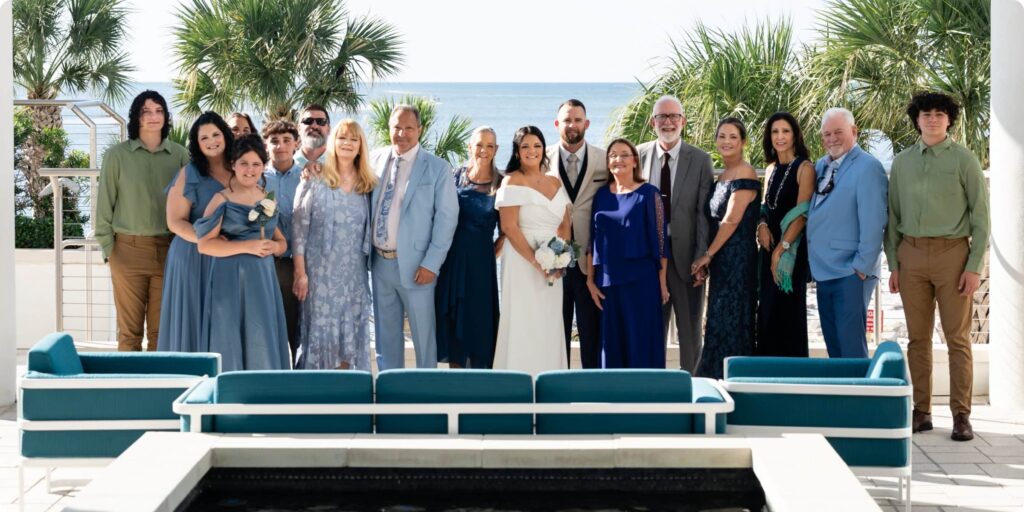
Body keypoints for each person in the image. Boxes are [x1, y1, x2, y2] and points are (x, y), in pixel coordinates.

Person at [885, 92, 989, 441]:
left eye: (939, 114)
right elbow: (893, 216)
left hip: (953, 255)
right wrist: (895, 263)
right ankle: (922, 411)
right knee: (917, 339)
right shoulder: (901, 162)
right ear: (917, 119)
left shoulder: (964, 160)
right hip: (911, 255)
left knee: (958, 339)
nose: (932, 119)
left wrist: (973, 266)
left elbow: (980, 217)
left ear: (949, 120)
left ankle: (962, 415)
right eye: (926, 114)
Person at [95, 90, 189, 351]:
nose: (153, 117)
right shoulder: (117, 155)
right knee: (129, 332)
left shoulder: (180, 156)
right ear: (136, 117)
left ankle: (158, 389)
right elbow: (105, 203)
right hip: (126, 251)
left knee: (162, 332)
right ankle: (127, 389)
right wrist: (108, 250)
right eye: (146, 111)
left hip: (169, 250)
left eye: (159, 111)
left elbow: (190, 204)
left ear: (166, 117)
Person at [370, 104, 459, 370]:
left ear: (419, 130)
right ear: (389, 128)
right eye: (397, 127)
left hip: (417, 266)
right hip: (379, 263)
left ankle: (426, 396)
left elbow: (447, 219)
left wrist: (432, 263)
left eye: (409, 128)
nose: (402, 133)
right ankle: (390, 395)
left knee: (423, 337)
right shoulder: (374, 160)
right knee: (386, 338)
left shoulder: (437, 168)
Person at [196, 134, 291, 371]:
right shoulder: (221, 199)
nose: (250, 170)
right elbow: (205, 244)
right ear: (233, 165)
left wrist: (275, 247)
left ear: (263, 166)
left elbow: (281, 242)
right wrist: (246, 246)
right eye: (244, 163)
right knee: (229, 335)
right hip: (229, 281)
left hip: (262, 281)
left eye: (256, 164)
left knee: (262, 337)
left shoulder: (266, 199)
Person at [637, 95, 714, 373]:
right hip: (648, 261)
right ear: (652, 122)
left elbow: (703, 215)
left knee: (691, 333)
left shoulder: (701, 160)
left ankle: (693, 389)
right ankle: (655, 392)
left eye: (673, 116)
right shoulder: (638, 155)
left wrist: (702, 258)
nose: (668, 122)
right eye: (662, 117)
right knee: (651, 331)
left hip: (686, 260)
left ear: (683, 121)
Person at [292, 119, 377, 370]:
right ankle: (317, 398)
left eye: (353, 139)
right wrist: (300, 273)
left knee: (349, 340)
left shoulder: (368, 184)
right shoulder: (315, 177)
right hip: (319, 275)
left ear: (361, 145)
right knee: (320, 333)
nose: (347, 143)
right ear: (333, 142)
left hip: (354, 276)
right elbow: (298, 229)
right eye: (342, 138)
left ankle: (349, 400)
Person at [806, 108, 888, 359]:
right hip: (823, 270)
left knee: (851, 348)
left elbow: (874, 222)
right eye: (827, 134)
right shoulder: (821, 165)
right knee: (834, 345)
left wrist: (861, 267)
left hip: (851, 272)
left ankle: (860, 398)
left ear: (854, 132)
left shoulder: (868, 167)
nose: (832, 139)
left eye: (838, 132)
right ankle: (841, 397)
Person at [493, 126, 572, 375]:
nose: (532, 151)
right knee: (523, 321)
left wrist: (559, 258)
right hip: (522, 261)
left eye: (536, 145)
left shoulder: (554, 180)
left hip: (553, 264)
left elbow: (565, 223)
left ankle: (550, 383)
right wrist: (537, 262)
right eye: (525, 146)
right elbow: (509, 226)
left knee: (548, 321)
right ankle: (519, 384)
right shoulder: (511, 179)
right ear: (517, 151)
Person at [586, 138, 668, 368]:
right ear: (608, 162)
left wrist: (662, 283)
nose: (618, 159)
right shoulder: (601, 195)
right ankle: (613, 398)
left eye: (624, 154)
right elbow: (592, 240)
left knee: (641, 340)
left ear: (634, 161)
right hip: (608, 282)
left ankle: (645, 396)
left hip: (642, 280)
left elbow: (661, 242)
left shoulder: (649, 194)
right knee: (612, 343)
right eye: (613, 155)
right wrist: (590, 280)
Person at [156, 112, 232, 354]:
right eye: (204, 138)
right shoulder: (188, 174)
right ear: (197, 144)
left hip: (229, 256)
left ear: (226, 136)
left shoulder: (240, 169)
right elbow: (175, 222)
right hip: (192, 256)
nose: (212, 141)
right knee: (192, 319)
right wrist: (207, 239)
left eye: (216, 134)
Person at [691, 118, 761, 379]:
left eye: (733, 137)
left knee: (733, 320)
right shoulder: (722, 175)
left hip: (738, 259)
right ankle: (714, 379)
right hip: (722, 259)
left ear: (743, 142)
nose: (726, 142)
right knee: (718, 320)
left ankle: (734, 380)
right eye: (722, 136)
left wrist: (706, 256)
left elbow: (731, 220)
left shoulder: (745, 173)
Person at [545, 99, 608, 368]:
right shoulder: (541, 157)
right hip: (552, 257)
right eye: (567, 120)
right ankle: (555, 390)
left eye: (578, 120)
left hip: (589, 260)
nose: (572, 125)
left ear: (587, 124)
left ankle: (592, 391)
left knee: (591, 332)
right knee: (553, 333)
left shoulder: (604, 159)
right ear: (557, 124)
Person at [435, 126, 503, 368]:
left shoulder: (502, 183)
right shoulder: (454, 176)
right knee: (454, 326)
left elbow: (506, 232)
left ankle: (480, 393)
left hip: (481, 267)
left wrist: (487, 255)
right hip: (451, 262)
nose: (483, 150)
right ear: (470, 146)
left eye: (489, 146)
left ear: (496, 150)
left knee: (478, 326)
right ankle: (456, 393)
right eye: (479, 144)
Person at [756, 112, 815, 357]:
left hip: (791, 253)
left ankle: (792, 382)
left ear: (795, 135)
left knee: (789, 317)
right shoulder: (770, 169)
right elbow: (764, 206)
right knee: (766, 315)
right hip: (768, 248)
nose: (780, 137)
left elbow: (802, 214)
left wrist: (782, 249)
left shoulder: (805, 167)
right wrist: (761, 226)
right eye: (775, 132)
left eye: (785, 131)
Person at [262, 120, 303, 360]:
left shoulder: (308, 175)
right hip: (271, 263)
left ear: (296, 144)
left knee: (300, 328)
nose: (281, 146)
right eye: (274, 141)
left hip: (301, 263)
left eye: (287, 140)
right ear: (266, 145)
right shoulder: (259, 178)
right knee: (272, 327)